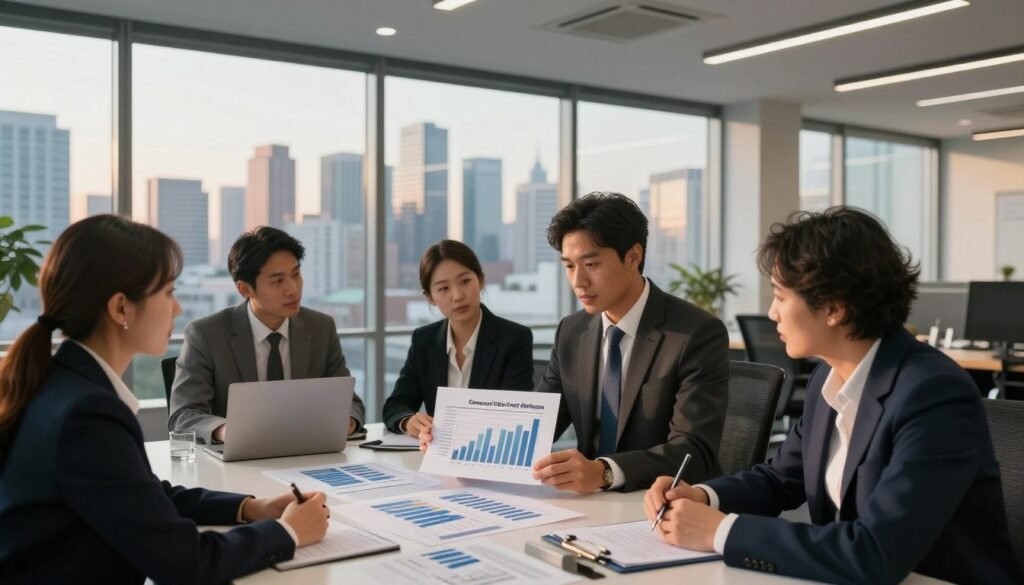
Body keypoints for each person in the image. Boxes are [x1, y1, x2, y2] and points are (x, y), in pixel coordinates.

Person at [643, 207, 1023, 585]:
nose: (771, 313)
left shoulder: (932, 393)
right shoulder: (829, 376)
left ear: (834, 308)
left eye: (779, 296)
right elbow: (779, 479)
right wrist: (702, 496)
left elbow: (875, 552)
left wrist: (721, 532)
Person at [0, 215, 329, 584]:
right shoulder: (87, 414)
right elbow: (186, 563)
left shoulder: (66, 384)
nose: (177, 309)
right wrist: (288, 533)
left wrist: (250, 507)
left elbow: (143, 496)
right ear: (121, 308)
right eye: (169, 292)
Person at [531, 192, 730, 494]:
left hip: (664, 504)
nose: (578, 281)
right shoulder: (572, 331)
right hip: (590, 504)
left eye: (591, 264)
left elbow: (692, 451)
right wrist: (448, 432)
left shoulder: (695, 333)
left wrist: (605, 472)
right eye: (569, 266)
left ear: (633, 257)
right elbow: (537, 423)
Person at [168, 227, 365, 445]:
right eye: (277, 281)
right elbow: (183, 415)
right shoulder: (206, 334)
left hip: (308, 456)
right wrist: (227, 431)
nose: (293, 289)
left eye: (296, 274)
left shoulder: (321, 328)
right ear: (245, 289)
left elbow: (350, 402)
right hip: (238, 464)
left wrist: (346, 421)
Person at [384, 240, 533, 438]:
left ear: (480, 280)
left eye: (465, 281)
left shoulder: (514, 339)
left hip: (488, 455)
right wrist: (408, 421)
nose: (458, 296)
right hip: (436, 456)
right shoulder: (424, 340)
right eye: (443, 288)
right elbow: (395, 405)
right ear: (430, 297)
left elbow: (513, 415)